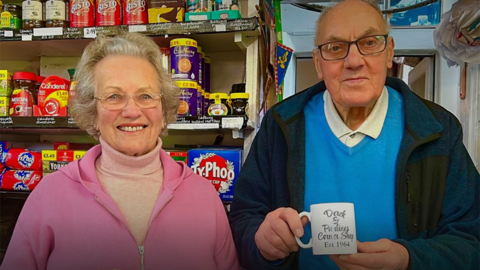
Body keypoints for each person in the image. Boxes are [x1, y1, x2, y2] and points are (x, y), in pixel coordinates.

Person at [228, 0, 480, 269]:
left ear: (389, 53)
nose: (354, 61)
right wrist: (262, 242)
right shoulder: (279, 126)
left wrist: (409, 260)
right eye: (335, 48)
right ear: (317, 62)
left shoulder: (438, 130)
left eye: (370, 43)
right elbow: (243, 220)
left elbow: (471, 242)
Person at [1, 32, 240, 270]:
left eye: (145, 96)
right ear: (92, 112)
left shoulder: (204, 195)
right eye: (114, 96)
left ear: (163, 108)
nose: (132, 111)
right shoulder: (49, 195)